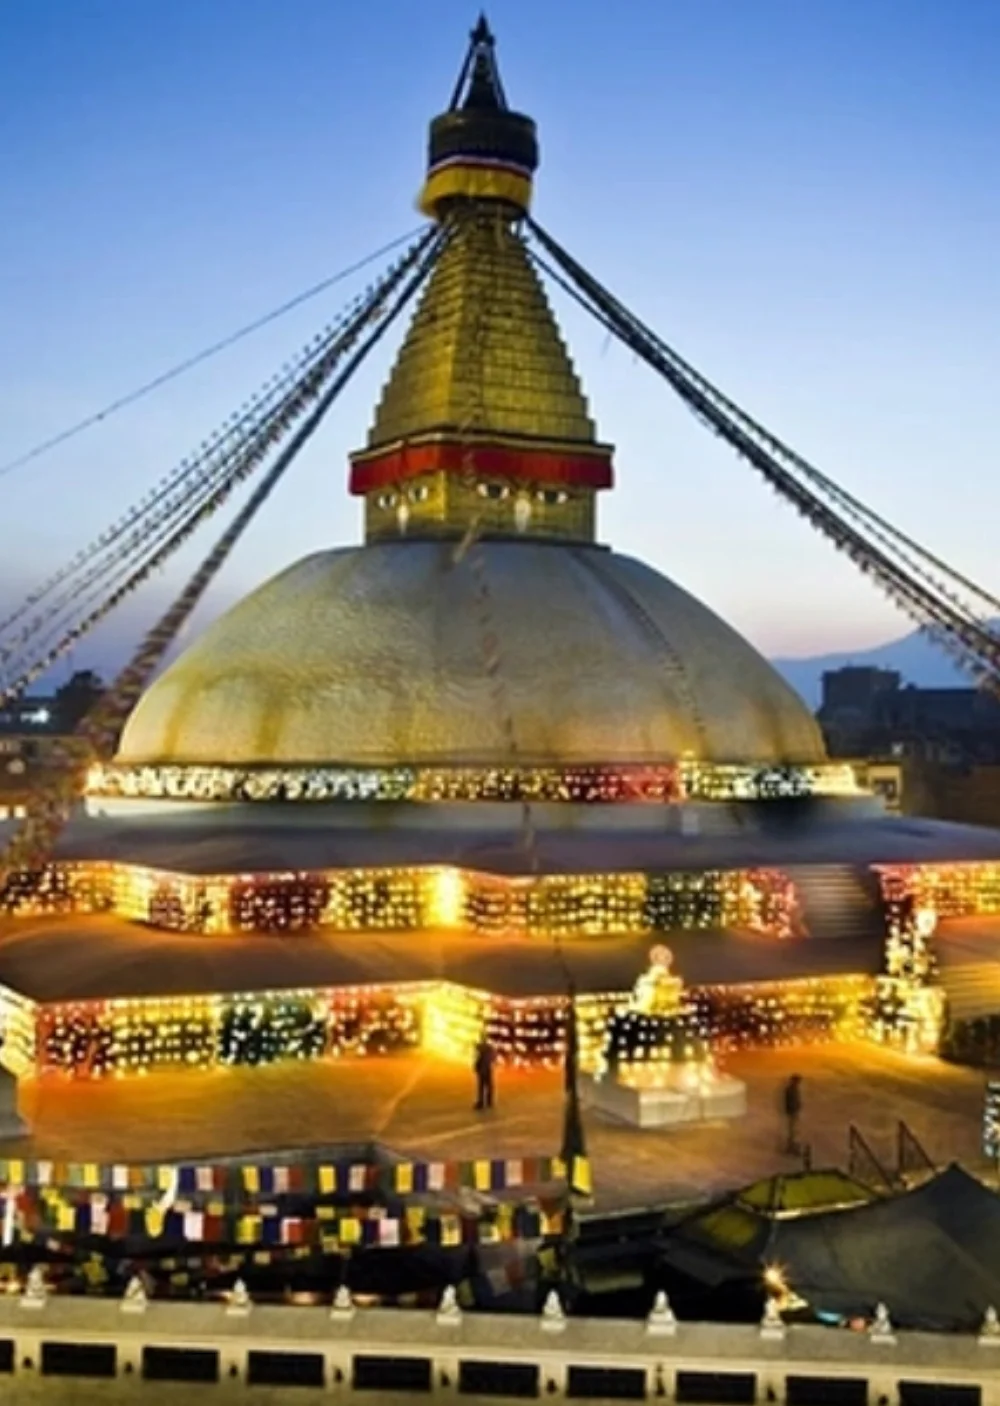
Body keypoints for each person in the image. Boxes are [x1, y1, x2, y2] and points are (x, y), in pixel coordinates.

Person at [473, 1036, 496, 1111]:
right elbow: (493, 1058)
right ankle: (489, 1102)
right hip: (487, 1069)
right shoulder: (490, 1048)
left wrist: (476, 1067)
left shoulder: (480, 1048)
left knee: (481, 1087)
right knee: (488, 1086)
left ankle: (481, 1102)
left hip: (482, 1069)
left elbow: (477, 1058)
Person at [782, 1073, 803, 1154]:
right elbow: (789, 1102)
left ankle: (791, 1146)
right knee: (792, 1131)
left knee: (793, 1130)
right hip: (792, 1112)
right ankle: (791, 1147)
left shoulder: (793, 1089)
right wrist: (793, 1110)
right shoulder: (791, 1090)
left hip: (793, 1112)